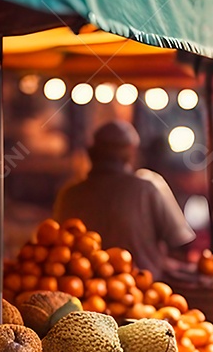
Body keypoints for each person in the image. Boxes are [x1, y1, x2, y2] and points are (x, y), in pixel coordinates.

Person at [55, 120, 195, 279]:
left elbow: (58, 248)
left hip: (84, 290)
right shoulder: (147, 188)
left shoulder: (70, 194)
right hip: (142, 291)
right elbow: (180, 243)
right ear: (130, 151)